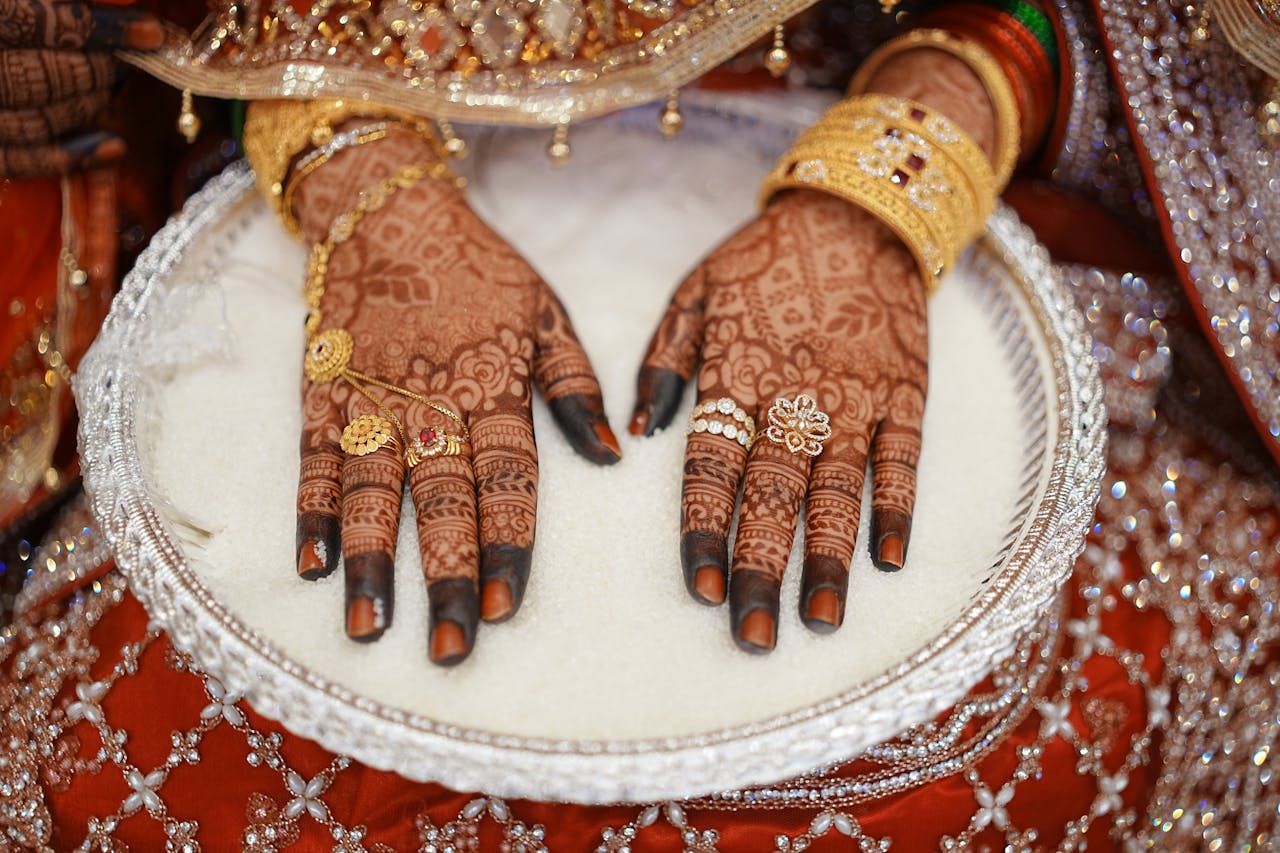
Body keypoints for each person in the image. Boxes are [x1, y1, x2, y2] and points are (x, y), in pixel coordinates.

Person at [2, 0, 1279, 848]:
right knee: (159, 759)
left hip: (882, 116)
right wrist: (349, 164)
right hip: (286, 195)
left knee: (1047, 729)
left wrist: (906, 158)